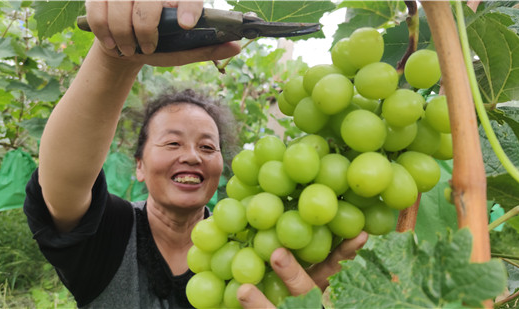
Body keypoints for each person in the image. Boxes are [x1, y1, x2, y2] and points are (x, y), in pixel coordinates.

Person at [24, 1, 368, 308]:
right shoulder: (111, 232)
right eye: (172, 143)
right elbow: (61, 181)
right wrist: (112, 59)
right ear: (139, 166)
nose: (191, 156)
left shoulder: (259, 241)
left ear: (222, 167)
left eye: (207, 147)